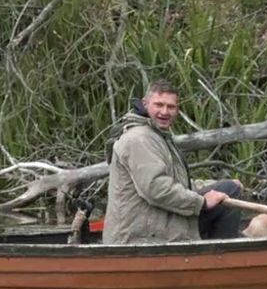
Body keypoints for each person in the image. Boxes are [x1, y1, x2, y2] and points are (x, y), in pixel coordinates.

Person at [103, 80, 242, 244]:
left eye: (171, 107)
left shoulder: (156, 136)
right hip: (139, 237)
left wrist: (213, 186)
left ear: (177, 110)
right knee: (229, 191)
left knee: (228, 189)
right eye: (159, 105)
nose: (164, 111)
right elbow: (156, 188)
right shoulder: (139, 139)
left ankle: (217, 254)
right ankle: (221, 258)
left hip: (158, 222)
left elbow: (176, 182)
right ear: (145, 104)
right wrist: (202, 202)